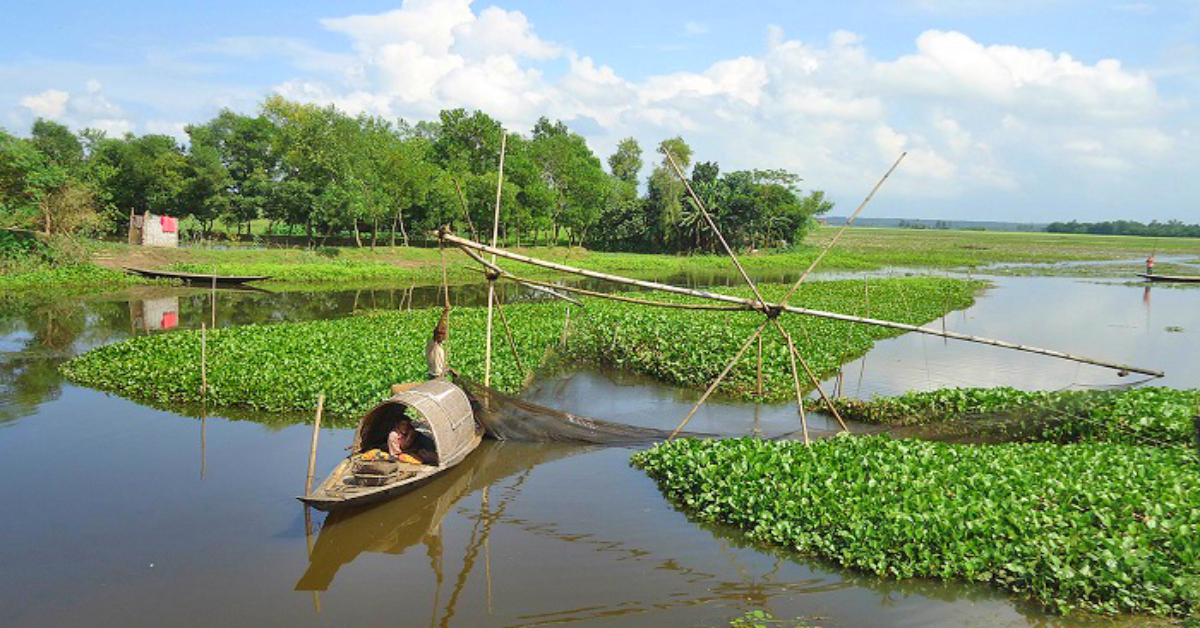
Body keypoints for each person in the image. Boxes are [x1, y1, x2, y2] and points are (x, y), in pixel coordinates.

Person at [426, 306, 450, 379]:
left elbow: (441, 363)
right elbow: (438, 330)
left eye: (444, 334)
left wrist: (451, 370)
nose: (442, 336)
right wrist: (444, 314)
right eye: (441, 334)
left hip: (441, 376)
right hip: (435, 376)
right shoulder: (432, 344)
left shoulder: (440, 346)